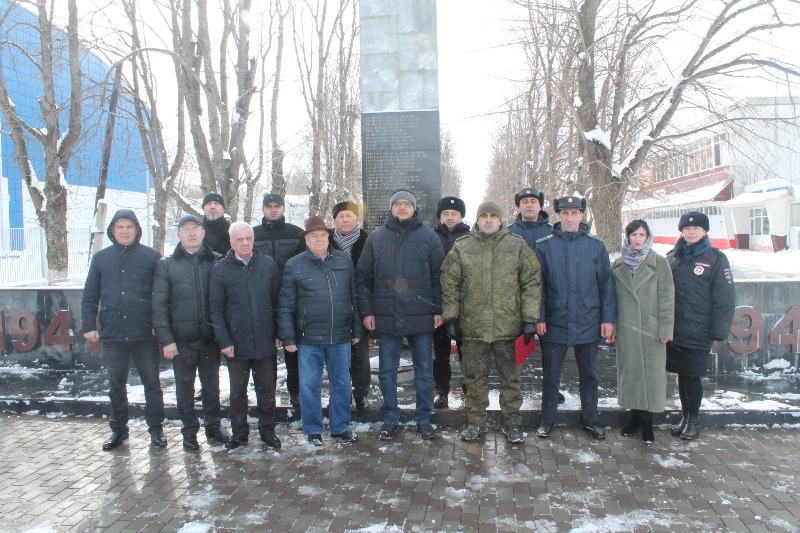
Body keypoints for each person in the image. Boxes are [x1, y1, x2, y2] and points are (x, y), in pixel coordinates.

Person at [441, 201, 541, 443]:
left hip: (508, 327)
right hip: (473, 327)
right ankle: (476, 421)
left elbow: (531, 282)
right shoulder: (462, 247)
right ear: (477, 220)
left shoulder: (516, 245)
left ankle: (513, 423)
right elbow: (449, 282)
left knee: (511, 378)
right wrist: (451, 317)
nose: (488, 220)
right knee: (474, 378)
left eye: (492, 216)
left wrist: (529, 319)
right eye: (483, 216)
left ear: (500, 220)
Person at [357, 190, 445, 441]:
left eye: (407, 203)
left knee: (424, 370)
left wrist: (439, 310)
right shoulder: (376, 238)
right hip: (386, 314)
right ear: (391, 208)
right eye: (398, 203)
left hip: (422, 314)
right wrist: (368, 311)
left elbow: (440, 278)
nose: (403, 207)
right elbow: (363, 278)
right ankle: (390, 417)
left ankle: (424, 417)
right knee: (387, 370)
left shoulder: (429, 238)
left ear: (414, 208)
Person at [81, 209, 165, 451]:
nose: (125, 231)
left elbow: (161, 296)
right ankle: (119, 430)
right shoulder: (101, 259)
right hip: (113, 332)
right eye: (120, 227)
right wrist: (89, 325)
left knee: (152, 384)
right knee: (116, 385)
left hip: (145, 334)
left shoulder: (151, 257)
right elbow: (90, 295)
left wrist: (158, 326)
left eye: (129, 226)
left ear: (137, 229)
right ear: (113, 231)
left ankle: (156, 429)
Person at [535, 195, 615, 440]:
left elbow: (606, 286)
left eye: (575, 213)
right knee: (551, 374)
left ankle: (591, 419)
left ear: (582, 215)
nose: (570, 218)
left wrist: (607, 319)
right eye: (565, 213)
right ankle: (547, 419)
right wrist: (539, 316)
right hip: (555, 320)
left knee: (589, 374)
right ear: (558, 215)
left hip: (588, 319)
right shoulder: (545, 245)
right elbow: (537, 286)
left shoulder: (596, 246)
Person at [279, 216, 364, 445]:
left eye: (322, 236)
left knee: (342, 384)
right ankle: (313, 430)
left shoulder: (344, 261)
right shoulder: (294, 265)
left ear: (329, 237)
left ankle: (340, 427)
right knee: (309, 385)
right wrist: (288, 337)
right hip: (309, 338)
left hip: (340, 336)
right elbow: (286, 303)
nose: (319, 240)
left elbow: (354, 296)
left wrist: (357, 328)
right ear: (306, 240)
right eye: (313, 236)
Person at [151, 214, 230, 452]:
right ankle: (189, 433)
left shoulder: (216, 261)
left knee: (211, 388)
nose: (191, 233)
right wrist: (167, 340)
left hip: (209, 340)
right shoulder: (166, 265)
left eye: (196, 229)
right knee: (185, 389)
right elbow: (159, 305)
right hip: (181, 342)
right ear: (178, 235)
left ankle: (214, 428)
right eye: (186, 230)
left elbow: (225, 301)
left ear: (203, 232)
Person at [209, 222, 282, 450]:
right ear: (231, 243)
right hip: (236, 344)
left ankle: (268, 431)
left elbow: (277, 301)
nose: (245, 243)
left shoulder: (268, 265)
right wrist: (224, 341)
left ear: (253, 240)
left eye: (248, 238)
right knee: (238, 392)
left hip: (265, 339)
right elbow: (216, 309)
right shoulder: (220, 269)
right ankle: (239, 433)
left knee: (266, 390)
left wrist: (279, 332)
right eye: (239, 240)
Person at [666, 211, 735, 441]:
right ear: (682, 231)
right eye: (687, 229)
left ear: (705, 231)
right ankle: (684, 417)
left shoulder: (715, 259)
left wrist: (719, 330)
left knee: (692, 376)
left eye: (696, 229)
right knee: (682, 375)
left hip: (699, 329)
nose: (691, 232)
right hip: (675, 329)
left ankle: (694, 420)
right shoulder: (673, 257)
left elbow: (725, 298)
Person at [610, 220, 674, 445]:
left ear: (648, 237)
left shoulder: (659, 263)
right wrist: (614, 326)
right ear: (627, 238)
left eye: (642, 235)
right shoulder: (618, 265)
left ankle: (648, 424)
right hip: (627, 328)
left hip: (652, 328)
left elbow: (667, 298)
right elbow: (613, 300)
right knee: (631, 375)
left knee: (651, 377)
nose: (637, 239)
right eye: (633, 235)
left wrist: (666, 327)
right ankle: (634, 418)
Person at [507, 186, 565, 405]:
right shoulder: (510, 232)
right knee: (516, 348)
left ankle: (551, 389)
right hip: (517, 298)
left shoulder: (552, 232)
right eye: (524, 201)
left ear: (540, 205)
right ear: (519, 206)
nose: (529, 205)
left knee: (551, 352)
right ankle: (514, 389)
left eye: (533, 201)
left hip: (549, 298)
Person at [253, 192, 304, 415]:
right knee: (265, 352)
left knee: (293, 349)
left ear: (283, 208)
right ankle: (267, 396)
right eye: (269, 206)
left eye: (277, 206)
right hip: (262, 299)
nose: (273, 209)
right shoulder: (253, 234)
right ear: (263, 209)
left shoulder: (296, 233)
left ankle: (296, 393)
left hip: (291, 299)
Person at [331, 201, 372, 411]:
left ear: (356, 219)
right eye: (341, 216)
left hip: (360, 302)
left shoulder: (368, 240)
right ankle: (341, 394)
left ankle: (361, 392)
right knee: (337, 354)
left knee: (360, 354)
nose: (345, 220)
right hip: (332, 304)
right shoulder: (326, 241)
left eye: (349, 216)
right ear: (335, 220)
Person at [432, 196, 470, 408]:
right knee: (441, 352)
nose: (449, 217)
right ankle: (441, 390)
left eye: (454, 214)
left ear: (461, 215)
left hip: (464, 303)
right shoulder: (431, 236)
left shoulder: (470, 236)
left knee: (467, 352)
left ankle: (468, 390)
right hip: (439, 302)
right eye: (445, 213)